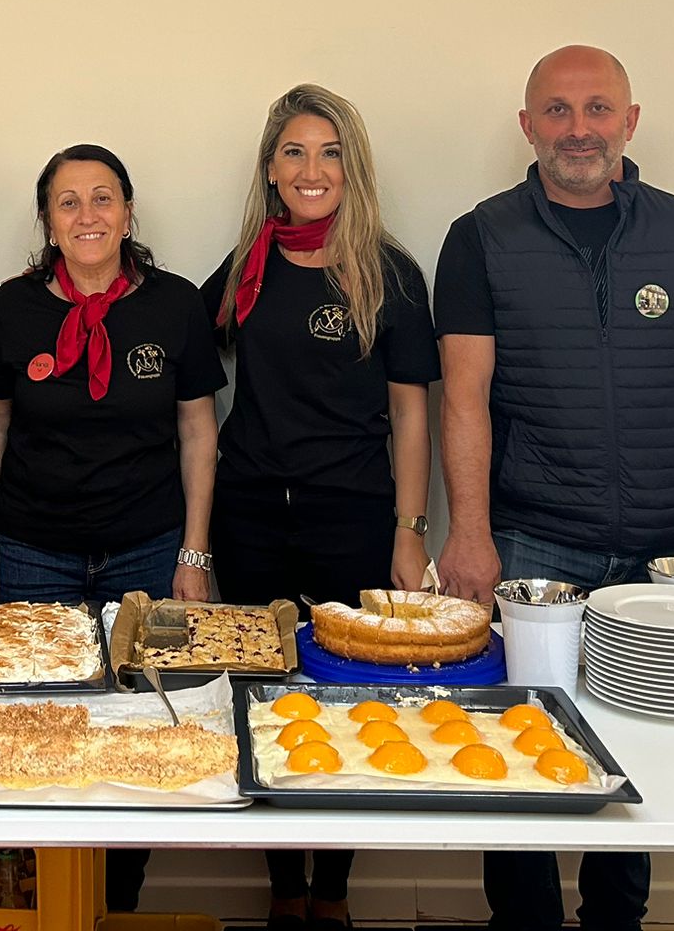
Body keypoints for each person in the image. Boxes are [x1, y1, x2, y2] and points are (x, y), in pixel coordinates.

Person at [431, 45, 674, 931]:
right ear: (528, 125)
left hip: (666, 547)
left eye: (599, 108)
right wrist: (470, 532)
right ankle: (524, 919)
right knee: (521, 732)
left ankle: (619, 917)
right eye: (560, 111)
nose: (580, 129)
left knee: (649, 741)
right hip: (537, 537)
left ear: (631, 120)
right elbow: (463, 396)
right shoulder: (481, 236)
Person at [203, 85, 438, 931]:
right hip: (251, 513)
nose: (312, 170)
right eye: (295, 152)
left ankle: (332, 892)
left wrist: (412, 533)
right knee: (262, 694)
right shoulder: (242, 273)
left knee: (346, 695)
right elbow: (173, 363)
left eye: (330, 153)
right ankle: (281, 888)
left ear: (353, 167)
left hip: (356, 516)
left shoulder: (390, 272)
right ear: (271, 168)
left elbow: (414, 413)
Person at [0, 143, 224, 914]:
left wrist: (194, 552)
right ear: (47, 219)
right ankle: (48, 904)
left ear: (129, 211)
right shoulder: (13, 308)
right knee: (32, 731)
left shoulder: (175, 304)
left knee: (142, 731)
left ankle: (117, 903)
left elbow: (198, 434)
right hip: (32, 550)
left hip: (147, 551)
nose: (88, 215)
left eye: (103, 198)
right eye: (69, 202)